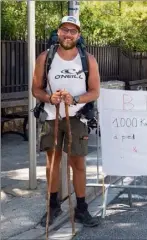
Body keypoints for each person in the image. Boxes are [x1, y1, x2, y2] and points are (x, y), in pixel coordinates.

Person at [32, 16, 100, 227]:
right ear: (58, 32)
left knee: (78, 164)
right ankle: (52, 207)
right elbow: (36, 88)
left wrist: (76, 99)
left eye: (73, 31)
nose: (68, 34)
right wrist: (48, 98)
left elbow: (95, 91)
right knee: (52, 164)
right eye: (65, 29)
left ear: (78, 35)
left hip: (77, 118)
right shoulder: (46, 57)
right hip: (51, 117)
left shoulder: (88, 60)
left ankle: (81, 209)